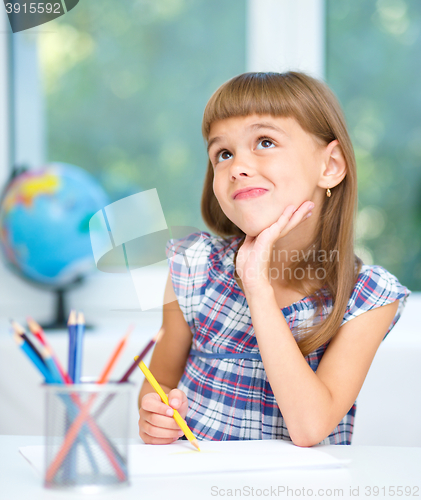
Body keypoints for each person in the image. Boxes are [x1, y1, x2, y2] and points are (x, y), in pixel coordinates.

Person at [138, 71, 411, 446]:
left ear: (329, 166)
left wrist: (257, 287)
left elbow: (310, 427)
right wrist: (156, 416)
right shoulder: (194, 266)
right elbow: (159, 384)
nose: (238, 167)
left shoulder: (368, 297)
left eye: (265, 142)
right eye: (224, 153)